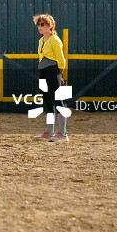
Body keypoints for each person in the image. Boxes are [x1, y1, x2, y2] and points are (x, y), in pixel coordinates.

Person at [33, 13, 68, 142]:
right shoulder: (41, 40)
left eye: (43, 24)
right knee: (47, 103)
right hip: (43, 72)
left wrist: (59, 74)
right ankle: (50, 132)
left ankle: (63, 134)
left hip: (52, 72)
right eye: (38, 25)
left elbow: (61, 60)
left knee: (58, 102)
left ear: (50, 26)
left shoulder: (55, 40)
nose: (40, 27)